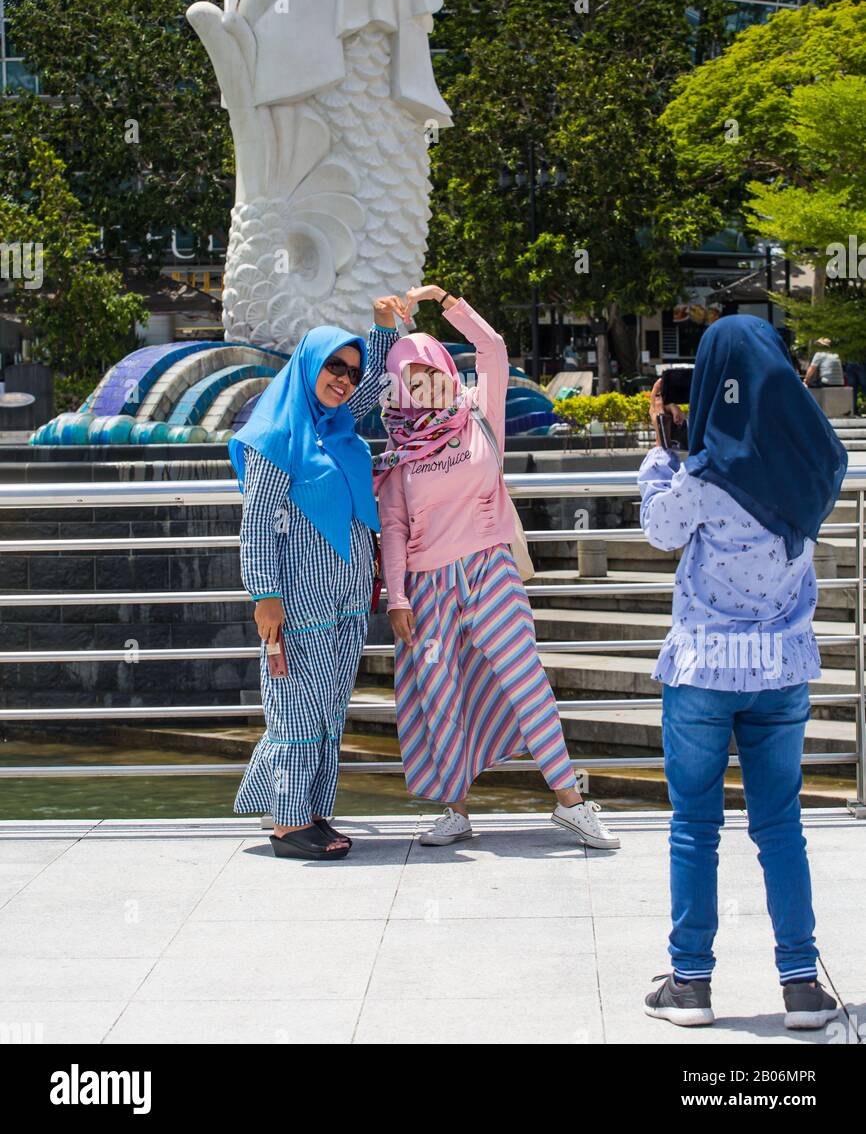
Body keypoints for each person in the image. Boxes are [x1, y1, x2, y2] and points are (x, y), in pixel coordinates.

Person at [639, 314, 847, 1029]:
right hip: (781, 667)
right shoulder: (814, 467)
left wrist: (662, 452)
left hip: (704, 669)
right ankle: (800, 987)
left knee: (696, 825)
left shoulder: (704, 473)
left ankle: (690, 985)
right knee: (780, 824)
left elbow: (660, 530)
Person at [374, 282, 620, 849]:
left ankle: (571, 804)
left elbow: (494, 350)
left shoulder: (478, 416)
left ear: (442, 370)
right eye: (407, 374)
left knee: (526, 680)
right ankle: (455, 808)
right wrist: (397, 598)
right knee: (440, 691)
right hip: (426, 586)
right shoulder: (396, 451)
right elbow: (394, 529)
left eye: (428, 369)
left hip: (490, 571)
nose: (420, 383)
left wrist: (446, 302)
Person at [229, 294, 408, 860]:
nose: (344, 380)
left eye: (350, 371)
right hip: (298, 601)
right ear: (309, 365)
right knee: (296, 707)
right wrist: (264, 597)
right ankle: (287, 824)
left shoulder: (335, 426)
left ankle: (309, 811)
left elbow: (377, 386)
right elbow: (257, 526)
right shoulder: (276, 436)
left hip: (347, 598)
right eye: (334, 366)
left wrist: (382, 329)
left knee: (328, 707)